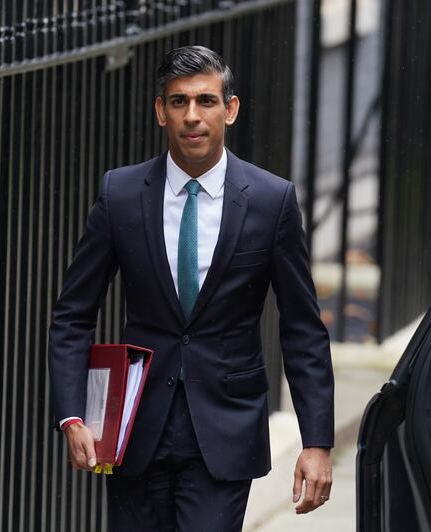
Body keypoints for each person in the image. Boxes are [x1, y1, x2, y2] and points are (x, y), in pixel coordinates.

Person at [47, 45, 334, 531]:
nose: (193, 116)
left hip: (225, 432)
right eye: (179, 102)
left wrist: (317, 442)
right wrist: (73, 416)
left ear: (231, 109)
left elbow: (303, 329)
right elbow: (72, 314)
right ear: (161, 111)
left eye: (206, 101)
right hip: (134, 433)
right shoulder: (120, 194)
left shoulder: (271, 200)